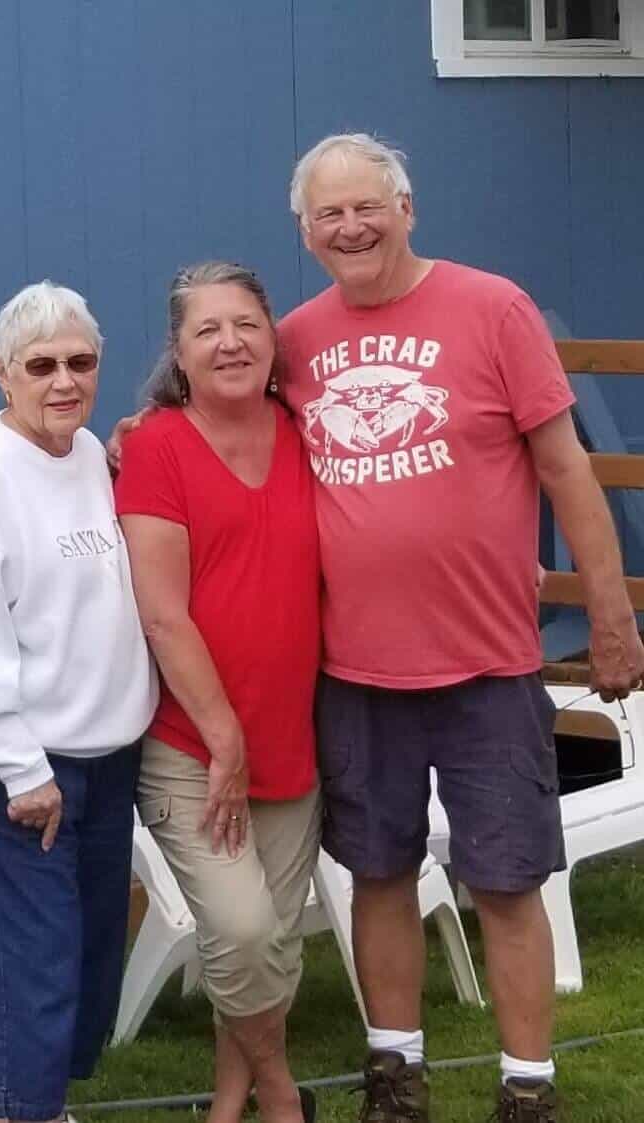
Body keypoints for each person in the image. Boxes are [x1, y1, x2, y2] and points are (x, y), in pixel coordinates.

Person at [277, 133, 644, 1122]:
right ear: (304, 231)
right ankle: (394, 1075)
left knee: (506, 878)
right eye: (326, 214)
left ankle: (526, 1084)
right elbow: (226, 427)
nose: (349, 226)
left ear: (406, 207)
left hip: (486, 663)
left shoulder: (492, 308)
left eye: (366, 206)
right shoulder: (295, 338)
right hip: (353, 669)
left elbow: (565, 467)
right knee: (377, 872)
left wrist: (608, 613)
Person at [0, 281, 158, 1123]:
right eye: (41, 364)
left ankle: (44, 1106)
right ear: (1, 371)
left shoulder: (91, 454)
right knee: (31, 966)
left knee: (87, 961)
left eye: (80, 362)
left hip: (107, 759)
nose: (64, 380)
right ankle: (21, 1111)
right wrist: (19, 766)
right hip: (24, 774)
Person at [114, 263, 321, 1123]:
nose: (231, 342)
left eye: (246, 323)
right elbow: (163, 615)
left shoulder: (309, 430)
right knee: (239, 932)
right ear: (179, 352)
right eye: (208, 330)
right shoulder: (156, 445)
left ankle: (226, 1107)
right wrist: (224, 737)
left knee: (269, 941)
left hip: (293, 742)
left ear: (274, 339)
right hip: (191, 744)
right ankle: (281, 1096)